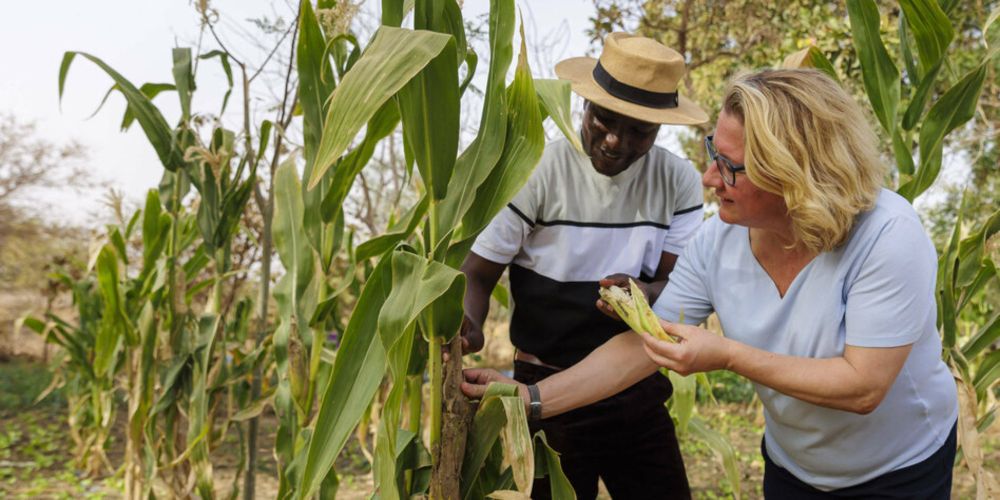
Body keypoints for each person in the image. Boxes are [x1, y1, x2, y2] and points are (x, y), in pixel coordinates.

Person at [462, 69, 959, 499]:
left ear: (794, 174)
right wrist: (532, 398)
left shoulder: (887, 235)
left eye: (729, 167)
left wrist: (727, 355)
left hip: (899, 467)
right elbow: (645, 343)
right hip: (794, 465)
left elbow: (862, 386)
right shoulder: (720, 238)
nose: (708, 178)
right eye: (711, 153)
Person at [460, 33, 708, 499]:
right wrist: (468, 322)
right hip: (544, 392)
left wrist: (643, 297)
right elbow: (477, 274)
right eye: (604, 121)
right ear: (584, 107)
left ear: (659, 128)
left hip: (636, 386)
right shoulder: (536, 169)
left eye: (639, 131)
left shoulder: (677, 181)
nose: (616, 141)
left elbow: (677, 283)